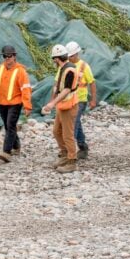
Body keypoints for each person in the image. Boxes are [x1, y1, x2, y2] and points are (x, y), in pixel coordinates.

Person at [0, 44, 33, 163]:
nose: (7, 59)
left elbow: (26, 89)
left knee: (10, 125)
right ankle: (16, 146)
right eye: (5, 56)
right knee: (9, 126)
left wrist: (27, 106)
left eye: (9, 56)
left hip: (15, 103)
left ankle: (6, 152)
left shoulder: (21, 72)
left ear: (14, 56)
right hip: (2, 103)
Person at [42, 44, 80, 174]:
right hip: (62, 105)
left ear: (57, 59)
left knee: (67, 134)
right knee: (56, 131)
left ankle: (71, 161)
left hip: (69, 106)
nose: (54, 62)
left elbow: (67, 90)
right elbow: (58, 87)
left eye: (54, 59)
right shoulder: (64, 68)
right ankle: (64, 154)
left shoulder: (69, 70)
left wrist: (52, 103)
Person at [66, 41, 97, 160]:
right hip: (69, 100)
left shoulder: (84, 66)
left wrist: (93, 100)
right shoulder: (66, 65)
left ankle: (69, 152)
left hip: (80, 100)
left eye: (71, 56)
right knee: (76, 123)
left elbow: (92, 83)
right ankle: (82, 146)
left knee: (74, 123)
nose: (69, 58)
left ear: (76, 54)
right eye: (68, 56)